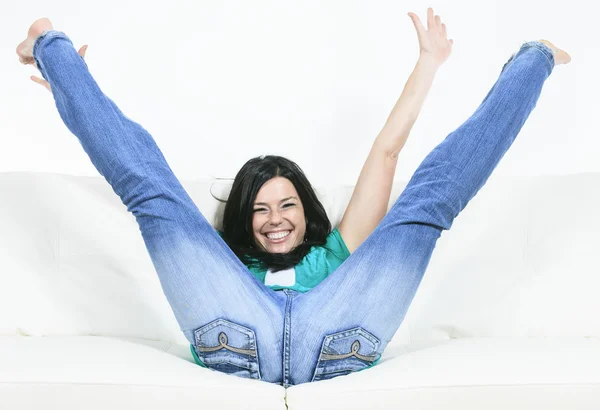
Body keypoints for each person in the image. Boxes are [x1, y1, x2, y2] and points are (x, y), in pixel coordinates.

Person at [17, 8, 570, 387]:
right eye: (258, 208)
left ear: (308, 213)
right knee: (153, 194)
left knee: (428, 202)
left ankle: (534, 60)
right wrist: (75, 91)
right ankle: (51, 47)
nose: (274, 220)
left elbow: (385, 155)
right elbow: (141, 172)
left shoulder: (338, 253)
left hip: (342, 320)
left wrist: (428, 65)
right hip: (236, 322)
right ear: (243, 221)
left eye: (286, 205)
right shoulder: (225, 265)